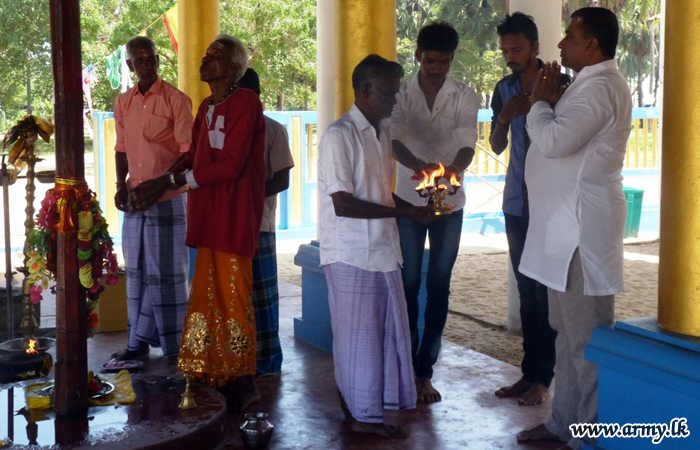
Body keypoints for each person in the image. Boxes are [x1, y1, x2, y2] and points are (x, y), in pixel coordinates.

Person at [129, 34, 266, 412]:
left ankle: (244, 379)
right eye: (205, 54)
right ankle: (210, 369)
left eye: (214, 56)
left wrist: (174, 180)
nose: (205, 60)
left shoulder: (246, 102)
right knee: (207, 295)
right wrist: (160, 181)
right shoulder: (206, 105)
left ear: (233, 68)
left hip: (234, 214)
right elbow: (193, 155)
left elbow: (232, 163)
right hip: (208, 214)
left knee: (233, 297)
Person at [515, 8, 631, 450]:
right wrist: (546, 102)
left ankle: (589, 438)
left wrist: (539, 102)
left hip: (581, 232)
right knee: (565, 333)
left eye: (569, 36)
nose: (560, 44)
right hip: (562, 232)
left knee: (588, 341)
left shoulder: (601, 87)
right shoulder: (586, 84)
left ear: (592, 45)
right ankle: (564, 424)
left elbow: (554, 141)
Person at [318, 54, 433, 438]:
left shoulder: (381, 134)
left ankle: (367, 411)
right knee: (358, 342)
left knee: (381, 339)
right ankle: (362, 418)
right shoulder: (340, 135)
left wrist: (413, 211)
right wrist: (405, 214)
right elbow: (343, 203)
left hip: (382, 251)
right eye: (389, 93)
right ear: (366, 90)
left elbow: (379, 194)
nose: (395, 100)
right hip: (350, 254)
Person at [390, 21, 478, 403]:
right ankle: (406, 363)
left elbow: (467, 141)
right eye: (430, 61)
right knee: (408, 282)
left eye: (444, 62)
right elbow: (394, 140)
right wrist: (419, 169)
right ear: (417, 56)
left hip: (449, 203)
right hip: (407, 202)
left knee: (439, 284)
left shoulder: (465, 95)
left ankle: (425, 371)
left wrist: (453, 169)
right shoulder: (399, 93)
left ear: (452, 59)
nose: (436, 69)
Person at [490, 13, 569, 406]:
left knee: (545, 293)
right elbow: (496, 144)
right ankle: (528, 373)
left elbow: (566, 141)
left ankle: (544, 378)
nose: (510, 56)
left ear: (535, 47)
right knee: (525, 291)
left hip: (550, 204)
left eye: (517, 49)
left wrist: (541, 106)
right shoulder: (503, 89)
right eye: (505, 50)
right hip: (517, 205)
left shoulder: (560, 83)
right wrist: (504, 118)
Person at [112, 36, 193, 365]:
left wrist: (161, 184)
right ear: (130, 65)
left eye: (151, 59)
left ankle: (175, 347)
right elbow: (121, 149)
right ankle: (138, 343)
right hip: (135, 200)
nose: (147, 65)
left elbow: (189, 153)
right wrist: (120, 185)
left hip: (168, 198)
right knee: (137, 272)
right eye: (140, 60)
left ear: (158, 61)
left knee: (168, 276)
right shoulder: (123, 103)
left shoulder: (176, 100)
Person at [237, 68, 295, 377]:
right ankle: (236, 360)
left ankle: (267, 362)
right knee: (234, 297)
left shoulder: (274, 130)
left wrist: (249, 195)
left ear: (257, 97)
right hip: (229, 225)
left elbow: (283, 179)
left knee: (262, 298)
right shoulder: (226, 130)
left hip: (260, 224)